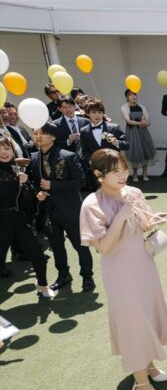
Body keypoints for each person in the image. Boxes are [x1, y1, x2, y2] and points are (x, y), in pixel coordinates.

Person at [79, 148, 167, 390]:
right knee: (133, 323)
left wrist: (157, 220)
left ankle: (148, 366)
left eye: (124, 169)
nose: (123, 175)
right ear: (99, 174)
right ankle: (142, 387)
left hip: (144, 264)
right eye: (115, 171)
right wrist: (120, 217)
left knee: (147, 314)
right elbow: (104, 247)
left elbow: (144, 225)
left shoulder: (133, 193)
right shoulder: (92, 204)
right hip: (120, 272)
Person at [28, 123, 95, 292]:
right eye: (35, 133)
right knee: (56, 246)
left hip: (70, 209)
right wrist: (38, 192)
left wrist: (53, 185)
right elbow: (33, 182)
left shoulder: (68, 156)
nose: (37, 136)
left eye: (42, 133)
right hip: (49, 211)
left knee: (80, 245)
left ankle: (87, 276)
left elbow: (80, 181)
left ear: (53, 136)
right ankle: (63, 275)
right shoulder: (34, 157)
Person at [0, 137, 55, 297]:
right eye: (0, 149)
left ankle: (43, 285)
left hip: (17, 219)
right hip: (1, 221)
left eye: (7, 148)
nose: (3, 152)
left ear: (13, 151)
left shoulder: (17, 169)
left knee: (37, 254)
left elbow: (29, 198)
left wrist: (27, 185)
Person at [79, 99, 129, 192]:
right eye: (94, 112)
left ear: (103, 113)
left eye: (100, 112)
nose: (97, 115)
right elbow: (83, 151)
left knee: (117, 193)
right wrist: (91, 161)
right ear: (87, 113)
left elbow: (126, 145)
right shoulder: (84, 131)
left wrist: (116, 142)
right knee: (99, 195)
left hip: (114, 168)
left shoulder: (114, 128)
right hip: (96, 171)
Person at [121, 89, 156, 183]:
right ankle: (135, 174)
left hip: (143, 132)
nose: (133, 97)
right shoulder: (124, 107)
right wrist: (141, 123)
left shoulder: (142, 107)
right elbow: (128, 121)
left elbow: (148, 121)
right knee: (134, 153)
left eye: (135, 94)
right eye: (130, 95)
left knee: (146, 152)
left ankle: (145, 174)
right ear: (127, 97)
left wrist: (146, 123)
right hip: (131, 132)